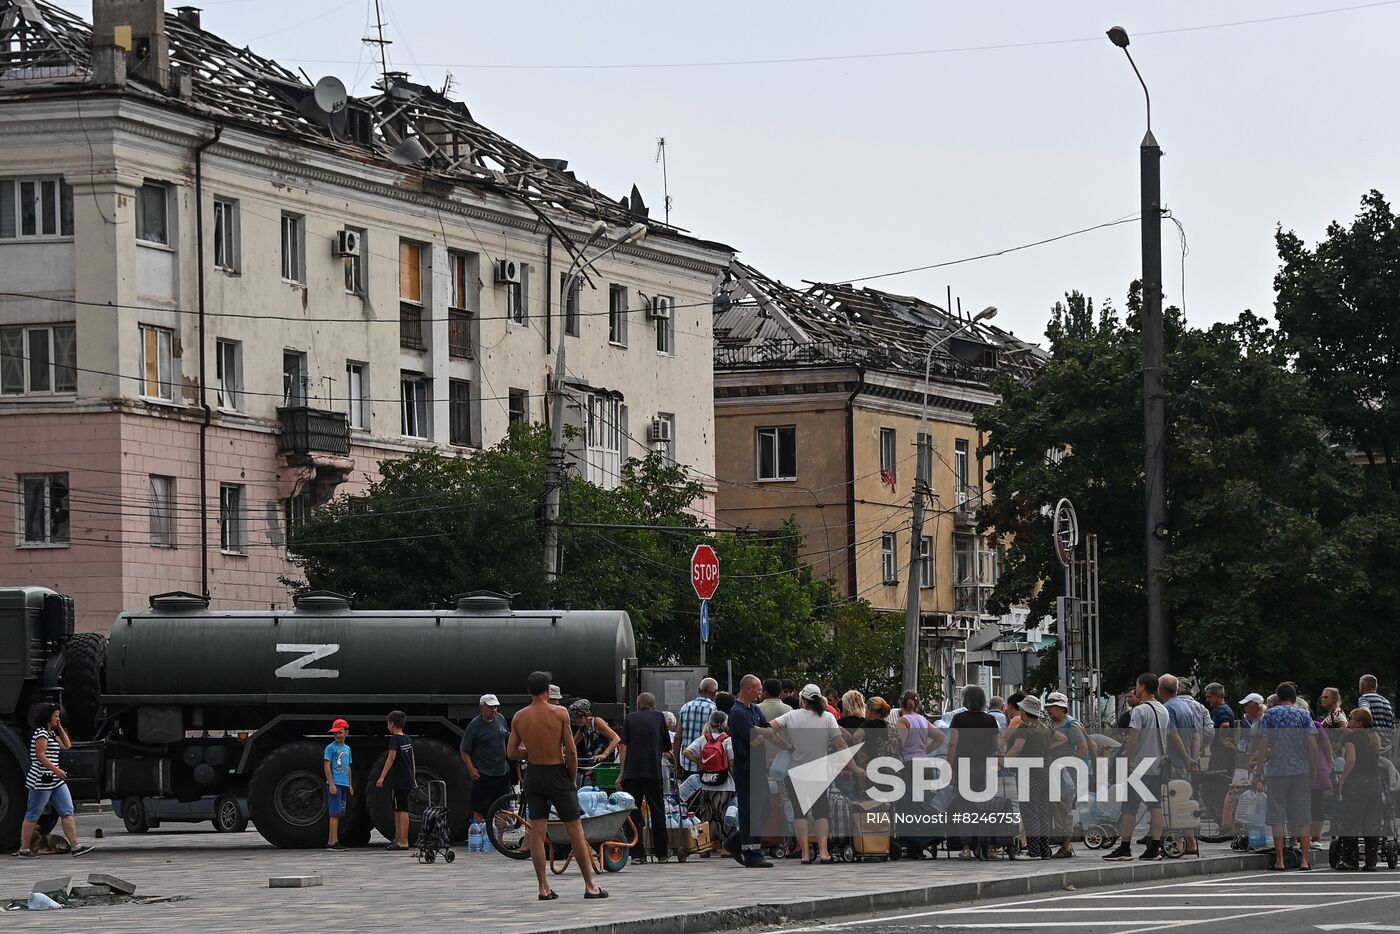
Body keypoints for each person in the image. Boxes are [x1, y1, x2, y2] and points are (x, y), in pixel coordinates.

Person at [508, 671, 606, 899]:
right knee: (575, 832)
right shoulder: (560, 712)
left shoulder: (519, 717)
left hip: (534, 773)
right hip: (556, 772)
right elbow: (571, 751)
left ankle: (543, 888)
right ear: (547, 689)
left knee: (538, 834)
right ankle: (590, 886)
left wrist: (530, 750)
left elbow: (511, 752)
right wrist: (570, 779)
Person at [1103, 673, 1187, 862]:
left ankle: (1125, 848)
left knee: (1129, 807)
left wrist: (1126, 762)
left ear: (1141, 686)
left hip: (1139, 765)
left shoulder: (1139, 711)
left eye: (1137, 685)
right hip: (1158, 764)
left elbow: (1133, 741)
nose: (1136, 688)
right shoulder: (1163, 710)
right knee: (1155, 805)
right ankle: (1155, 847)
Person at [770, 684, 846, 863]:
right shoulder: (827, 717)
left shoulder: (791, 716)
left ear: (802, 699)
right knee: (821, 811)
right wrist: (853, 764)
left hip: (794, 773)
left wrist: (785, 745)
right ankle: (824, 851)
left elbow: (768, 730)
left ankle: (805, 853)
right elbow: (840, 743)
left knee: (799, 812)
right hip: (819, 773)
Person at [1250, 681, 1318, 871]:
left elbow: (1264, 745)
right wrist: (1312, 768)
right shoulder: (1303, 715)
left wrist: (1260, 770)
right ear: (1295, 698)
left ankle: (1279, 860)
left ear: (1278, 698)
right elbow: (1312, 745)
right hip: (1300, 770)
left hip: (1277, 771)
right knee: (1303, 814)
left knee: (1277, 814)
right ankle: (1304, 860)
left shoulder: (1270, 715)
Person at [15, 704, 93, 859]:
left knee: (67, 810)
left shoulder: (51, 734)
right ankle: (24, 848)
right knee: (33, 813)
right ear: (47, 717)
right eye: (56, 716)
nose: (58, 718)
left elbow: (67, 745)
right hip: (41, 780)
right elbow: (40, 755)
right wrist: (56, 770)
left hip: (55, 781)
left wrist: (60, 728)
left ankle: (75, 845)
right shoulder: (41, 734)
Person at [725, 674, 776, 868]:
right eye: (758, 689)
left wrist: (761, 731)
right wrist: (761, 732)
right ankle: (752, 853)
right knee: (750, 810)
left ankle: (737, 842)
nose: (761, 692)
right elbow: (754, 738)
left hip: (759, 767)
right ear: (748, 689)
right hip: (746, 768)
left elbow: (768, 730)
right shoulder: (737, 713)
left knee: (764, 809)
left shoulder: (754, 710)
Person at [948, 686, 1001, 860]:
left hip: (963, 767)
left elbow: (953, 744)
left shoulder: (958, 719)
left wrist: (949, 766)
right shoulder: (991, 720)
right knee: (985, 807)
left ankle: (966, 847)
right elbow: (996, 745)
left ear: (966, 700)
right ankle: (988, 846)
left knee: (964, 807)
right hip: (985, 768)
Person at [619, 692, 671, 863]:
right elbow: (666, 746)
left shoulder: (629, 719)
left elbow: (623, 747)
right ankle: (662, 853)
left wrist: (621, 773)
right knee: (657, 810)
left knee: (633, 811)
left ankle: (637, 854)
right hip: (652, 771)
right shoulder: (659, 717)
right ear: (653, 705)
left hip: (632, 773)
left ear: (637, 704)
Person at [1336, 707, 1385, 871]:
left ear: (1358, 723)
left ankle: (1351, 860)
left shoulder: (1352, 737)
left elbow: (1351, 760)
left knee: (1351, 820)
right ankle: (1371, 861)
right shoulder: (1374, 737)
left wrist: (1342, 780)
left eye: (1350, 718)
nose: (1348, 720)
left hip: (1357, 781)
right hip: (1374, 781)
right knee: (1371, 821)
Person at [1159, 674, 1201, 856]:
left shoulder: (1167, 709)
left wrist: (1185, 758)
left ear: (1161, 690)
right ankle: (1190, 840)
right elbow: (1196, 735)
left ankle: (1179, 840)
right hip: (1186, 763)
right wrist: (1194, 758)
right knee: (1186, 800)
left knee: (1173, 802)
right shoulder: (1186, 707)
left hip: (1174, 762)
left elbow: (1173, 736)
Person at [1045, 692, 1087, 859]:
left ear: (1063, 708)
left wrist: (1071, 768)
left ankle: (1066, 845)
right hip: (1053, 772)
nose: (1049, 710)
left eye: (1052, 707)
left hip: (1065, 774)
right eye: (1047, 707)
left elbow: (1082, 747)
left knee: (1064, 809)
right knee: (1054, 808)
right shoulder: (1051, 724)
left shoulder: (1071, 725)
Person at [460, 694, 512, 823]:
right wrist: (471, 769)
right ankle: (482, 836)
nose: (493, 710)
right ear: (481, 707)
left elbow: (508, 737)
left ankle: (499, 840)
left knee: (503, 808)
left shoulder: (500, 719)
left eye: (495, 707)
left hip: (502, 771)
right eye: (490, 707)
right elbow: (464, 749)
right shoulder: (474, 726)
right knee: (480, 808)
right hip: (484, 774)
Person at [375, 710, 416, 851]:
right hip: (407, 777)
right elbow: (412, 759)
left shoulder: (395, 740)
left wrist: (382, 777)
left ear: (392, 724)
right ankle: (397, 838)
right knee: (397, 808)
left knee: (402, 809)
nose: (387, 726)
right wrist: (413, 776)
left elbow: (391, 758)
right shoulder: (407, 738)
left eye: (388, 723)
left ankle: (403, 840)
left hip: (400, 778)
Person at [681, 709, 735, 802]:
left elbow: (686, 752)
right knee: (723, 815)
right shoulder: (728, 740)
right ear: (725, 724)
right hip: (725, 786)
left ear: (710, 723)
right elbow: (731, 764)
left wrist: (699, 761)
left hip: (706, 785)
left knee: (707, 815)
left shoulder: (703, 739)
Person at [674, 678, 719, 782]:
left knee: (689, 796)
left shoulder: (685, 708)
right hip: (708, 764)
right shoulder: (714, 709)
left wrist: (676, 763)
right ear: (714, 693)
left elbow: (677, 737)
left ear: (699, 690)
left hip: (687, 764)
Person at [324, 718, 354, 850]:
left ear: (346, 733)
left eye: (340, 732)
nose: (337, 735)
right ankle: (332, 841)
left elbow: (348, 767)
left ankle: (333, 840)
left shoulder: (347, 749)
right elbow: (326, 766)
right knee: (334, 813)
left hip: (344, 784)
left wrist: (350, 784)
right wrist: (331, 784)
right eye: (335, 733)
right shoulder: (330, 748)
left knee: (339, 813)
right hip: (335, 783)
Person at [569, 699, 620, 767]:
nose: (573, 723)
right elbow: (572, 744)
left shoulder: (596, 722)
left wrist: (604, 754)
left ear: (583, 716)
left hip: (609, 761)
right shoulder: (583, 728)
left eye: (575, 720)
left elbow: (616, 738)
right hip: (594, 762)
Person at [1203, 682, 1237, 773]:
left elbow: (1225, 724)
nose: (1207, 700)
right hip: (1223, 753)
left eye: (1209, 697)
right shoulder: (1223, 709)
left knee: (1217, 781)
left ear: (1218, 695)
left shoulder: (1222, 709)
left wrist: (1222, 739)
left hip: (1222, 754)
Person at [1357, 675, 1395, 754]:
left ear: (1362, 686)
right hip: (1387, 749)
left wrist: (1368, 728)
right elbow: (1393, 727)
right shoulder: (1386, 701)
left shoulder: (1364, 698)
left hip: (1373, 748)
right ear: (1375, 686)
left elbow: (1365, 711)